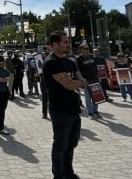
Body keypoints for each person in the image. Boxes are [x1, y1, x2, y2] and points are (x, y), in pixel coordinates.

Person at [43, 32, 87, 179]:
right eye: (64, 42)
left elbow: (80, 77)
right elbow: (68, 84)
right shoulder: (51, 62)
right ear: (55, 44)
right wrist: (79, 82)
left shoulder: (70, 61)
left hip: (74, 108)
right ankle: (59, 174)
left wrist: (79, 82)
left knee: (72, 143)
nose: (68, 44)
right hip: (60, 109)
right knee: (60, 145)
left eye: (68, 41)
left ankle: (68, 173)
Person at [76, 45, 101, 118]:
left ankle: (95, 111)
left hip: (95, 79)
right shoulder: (79, 59)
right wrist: (82, 80)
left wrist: (98, 77)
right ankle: (90, 113)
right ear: (81, 50)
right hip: (86, 80)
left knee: (96, 96)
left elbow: (95, 68)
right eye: (85, 49)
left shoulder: (92, 57)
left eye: (87, 48)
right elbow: (78, 71)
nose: (87, 50)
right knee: (88, 97)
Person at [40, 46, 51, 119]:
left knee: (51, 99)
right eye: (45, 51)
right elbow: (39, 69)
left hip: (51, 82)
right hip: (43, 81)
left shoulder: (52, 59)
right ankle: (44, 113)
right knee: (44, 98)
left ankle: (52, 113)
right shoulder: (40, 59)